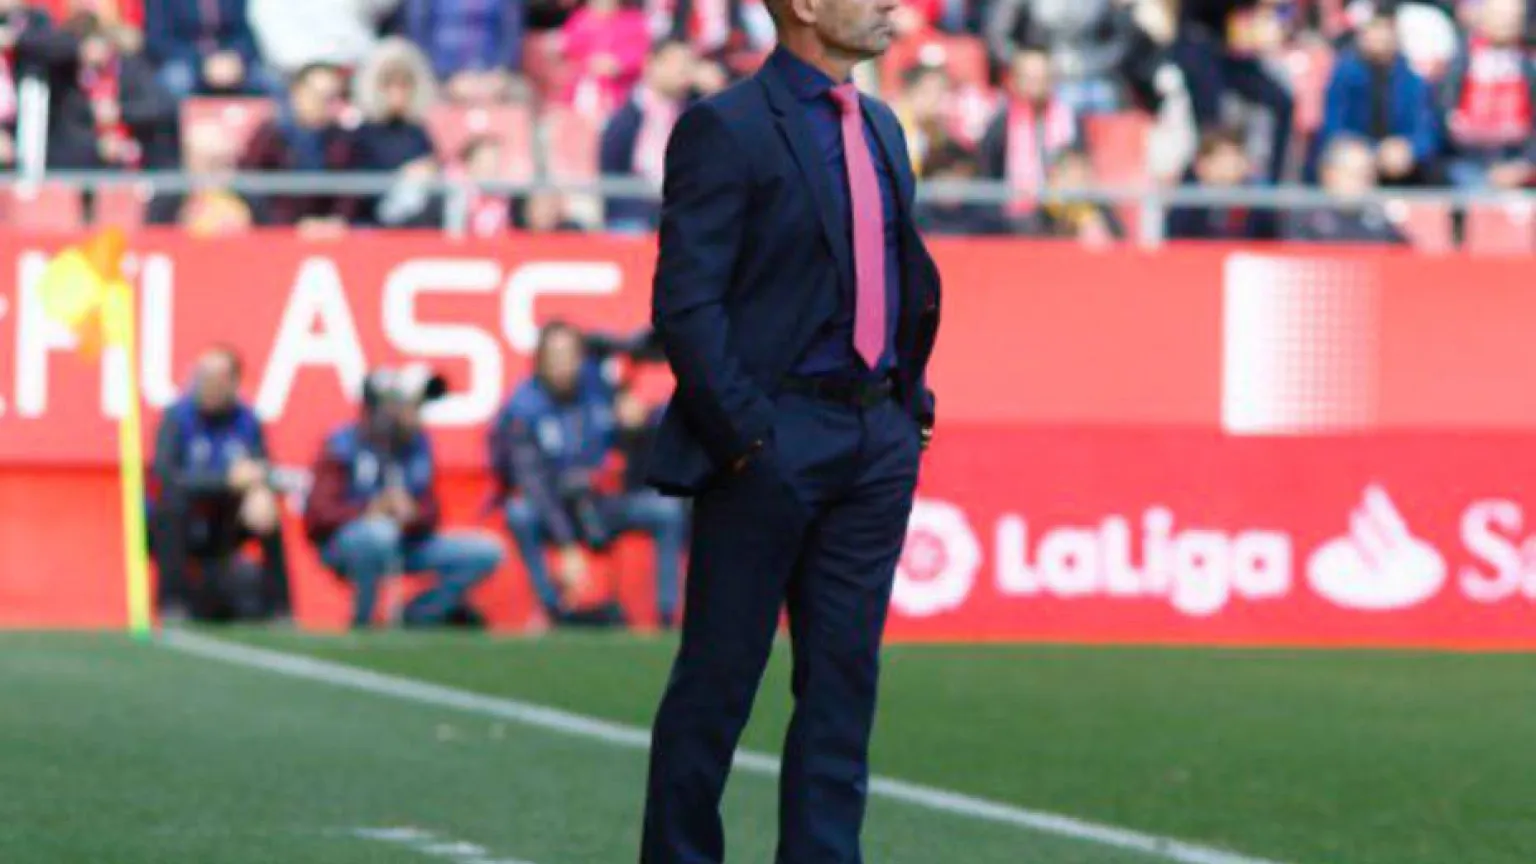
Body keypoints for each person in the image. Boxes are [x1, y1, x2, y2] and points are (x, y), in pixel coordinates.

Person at [638, 0, 942, 855]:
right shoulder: (726, 128)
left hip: (874, 437)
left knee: (843, 688)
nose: (890, 4)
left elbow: (897, 272)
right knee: (718, 684)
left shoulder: (881, 125)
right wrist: (747, 437)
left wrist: (908, 402)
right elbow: (686, 302)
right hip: (773, 437)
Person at [492, 322, 684, 628]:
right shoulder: (522, 408)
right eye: (555, 356)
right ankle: (552, 609)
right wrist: (566, 543)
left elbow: (634, 455)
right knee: (519, 513)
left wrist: (637, 427)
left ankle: (666, 615)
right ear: (539, 360)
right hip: (554, 508)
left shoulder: (598, 389)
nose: (563, 364)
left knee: (666, 510)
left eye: (570, 355)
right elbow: (533, 484)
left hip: (600, 503)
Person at [304, 365, 504, 629]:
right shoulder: (343, 444)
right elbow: (318, 514)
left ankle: (418, 615)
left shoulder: (417, 445)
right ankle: (365, 621)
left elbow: (432, 513)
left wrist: (412, 513)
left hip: (407, 542)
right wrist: (371, 510)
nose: (418, 415)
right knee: (378, 533)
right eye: (411, 406)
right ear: (384, 409)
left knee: (485, 551)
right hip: (347, 544)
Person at [150, 346, 291, 623]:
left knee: (265, 508)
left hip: (227, 520)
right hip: (183, 518)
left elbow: (261, 467)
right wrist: (225, 480)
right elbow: (166, 475)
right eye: (203, 376)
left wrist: (259, 489)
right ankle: (172, 604)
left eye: (217, 378)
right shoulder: (176, 417)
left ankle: (280, 608)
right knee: (172, 507)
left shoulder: (247, 421)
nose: (208, 385)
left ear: (234, 383)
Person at [1313, 7, 1439, 185]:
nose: (1379, 37)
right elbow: (1332, 128)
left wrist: (1409, 149)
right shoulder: (1344, 75)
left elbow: (1427, 133)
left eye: (1385, 30)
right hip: (1355, 163)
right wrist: (1370, 151)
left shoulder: (1412, 80)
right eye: (1373, 29)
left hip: (1402, 170)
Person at [239, 62, 358, 233]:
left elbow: (350, 189)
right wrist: (289, 225)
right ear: (297, 92)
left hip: (330, 234)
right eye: (317, 94)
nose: (322, 103)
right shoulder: (271, 135)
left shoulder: (343, 140)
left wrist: (336, 221)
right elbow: (250, 185)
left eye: (331, 96)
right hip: (278, 233)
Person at [599, 37, 697, 232]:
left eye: (689, 63)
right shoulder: (625, 118)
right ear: (651, 64)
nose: (684, 70)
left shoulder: (693, 116)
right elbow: (611, 171)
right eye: (676, 62)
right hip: (635, 216)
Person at [1287, 134, 1407, 244]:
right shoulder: (1306, 219)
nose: (1360, 184)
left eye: (1366, 176)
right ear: (1329, 174)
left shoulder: (1383, 222)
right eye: (1352, 175)